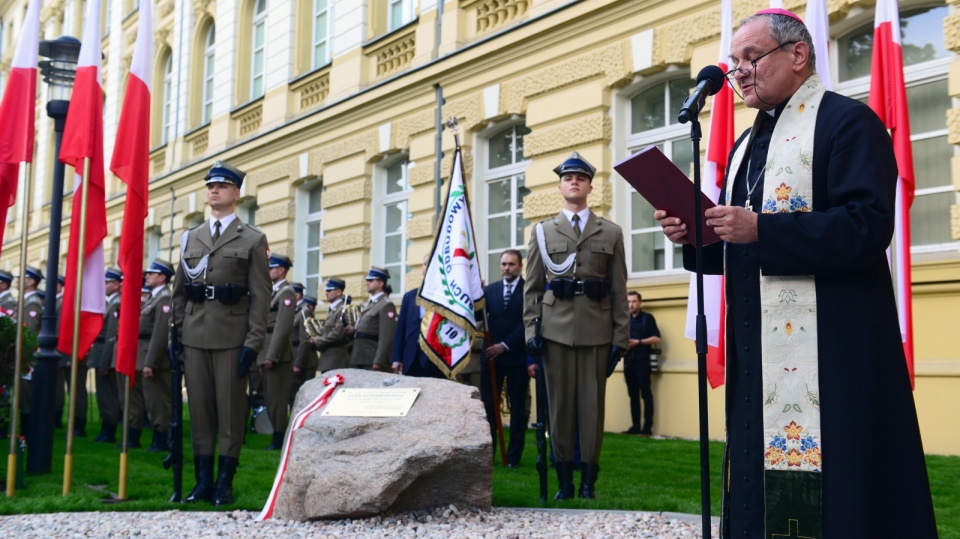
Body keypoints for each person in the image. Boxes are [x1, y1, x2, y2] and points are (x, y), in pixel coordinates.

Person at [655, 9, 937, 538]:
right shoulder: (744, 147)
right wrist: (696, 236)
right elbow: (741, 248)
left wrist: (761, 230)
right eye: (733, 62)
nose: (737, 73)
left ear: (798, 55)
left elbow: (866, 227)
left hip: (833, 357)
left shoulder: (847, 123)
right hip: (757, 357)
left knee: (841, 499)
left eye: (749, 59)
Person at [523, 152, 629, 500]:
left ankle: (588, 482)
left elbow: (618, 289)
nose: (574, 182)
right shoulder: (542, 232)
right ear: (559, 186)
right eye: (568, 178)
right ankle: (564, 481)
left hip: (596, 331)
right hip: (554, 332)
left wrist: (620, 339)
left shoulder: (610, 232)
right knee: (560, 408)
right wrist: (530, 333)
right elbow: (533, 289)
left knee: (592, 409)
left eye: (580, 178)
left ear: (589, 186)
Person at [171, 160, 271, 506]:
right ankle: (202, 483)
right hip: (195, 336)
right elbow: (180, 292)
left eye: (223, 185)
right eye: (211, 185)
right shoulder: (190, 237)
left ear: (237, 194)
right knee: (199, 411)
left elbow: (261, 295)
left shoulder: (253, 239)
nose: (215, 190)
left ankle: (224, 484)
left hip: (232, 337)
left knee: (229, 413)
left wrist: (253, 341)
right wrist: (177, 335)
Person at [481, 249, 529, 467]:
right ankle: (489, 454)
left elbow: (529, 322)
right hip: (491, 358)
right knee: (488, 408)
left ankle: (513, 457)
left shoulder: (529, 289)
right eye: (503, 264)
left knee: (518, 408)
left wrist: (505, 345)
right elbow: (477, 317)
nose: (506, 268)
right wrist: (473, 294)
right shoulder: (489, 291)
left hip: (516, 356)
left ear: (520, 266)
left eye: (511, 264)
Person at [259, 254, 297, 451]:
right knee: (270, 397)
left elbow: (282, 328)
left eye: (271, 267)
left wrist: (271, 355)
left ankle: (280, 438)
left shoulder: (286, 293)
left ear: (281, 270)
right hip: (267, 352)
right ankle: (277, 435)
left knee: (277, 400)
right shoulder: (273, 292)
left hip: (278, 355)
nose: (269, 270)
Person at [391, 255, 445, 379]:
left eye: (431, 263)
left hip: (436, 360)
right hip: (411, 358)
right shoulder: (410, 296)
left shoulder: (446, 296)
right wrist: (396, 358)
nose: (427, 266)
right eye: (424, 264)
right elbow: (400, 329)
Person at [140, 259, 175, 453]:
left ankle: (162, 440)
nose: (147, 276)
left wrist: (150, 362)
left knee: (159, 401)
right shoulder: (155, 298)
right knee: (153, 401)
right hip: (150, 358)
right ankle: (158, 438)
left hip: (158, 361)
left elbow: (160, 334)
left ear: (162, 277)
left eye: (151, 273)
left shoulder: (163, 299)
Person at [90, 270, 122, 443]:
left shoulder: (116, 303)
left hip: (106, 354)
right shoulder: (108, 302)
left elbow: (111, 334)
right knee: (102, 395)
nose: (104, 286)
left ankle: (109, 430)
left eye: (107, 282)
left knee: (108, 395)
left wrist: (105, 361)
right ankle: (106, 428)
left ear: (116, 285)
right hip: (100, 350)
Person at [622, 291, 660, 436]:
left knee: (646, 395)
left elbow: (657, 338)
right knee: (633, 396)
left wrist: (637, 342)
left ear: (640, 302)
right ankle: (635, 427)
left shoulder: (647, 318)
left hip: (643, 361)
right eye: (628, 302)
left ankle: (647, 428)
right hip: (628, 362)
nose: (631, 304)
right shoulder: (625, 319)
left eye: (634, 301)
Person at [346, 267, 396, 371]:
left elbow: (386, 337)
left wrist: (379, 361)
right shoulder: (370, 303)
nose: (367, 283)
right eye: (367, 280)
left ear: (381, 283)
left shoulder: (386, 305)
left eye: (371, 280)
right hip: (359, 356)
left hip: (371, 358)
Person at [311, 278, 351, 374]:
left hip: (336, 359)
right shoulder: (333, 309)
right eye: (326, 290)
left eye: (329, 290)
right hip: (328, 358)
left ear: (339, 292)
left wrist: (318, 340)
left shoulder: (342, 310)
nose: (326, 293)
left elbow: (337, 334)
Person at [291, 288, 318, 404]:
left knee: (300, 399)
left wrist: (298, 364)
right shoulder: (295, 310)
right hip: (294, 355)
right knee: (292, 396)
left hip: (303, 361)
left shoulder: (304, 311)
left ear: (297, 295)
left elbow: (305, 339)